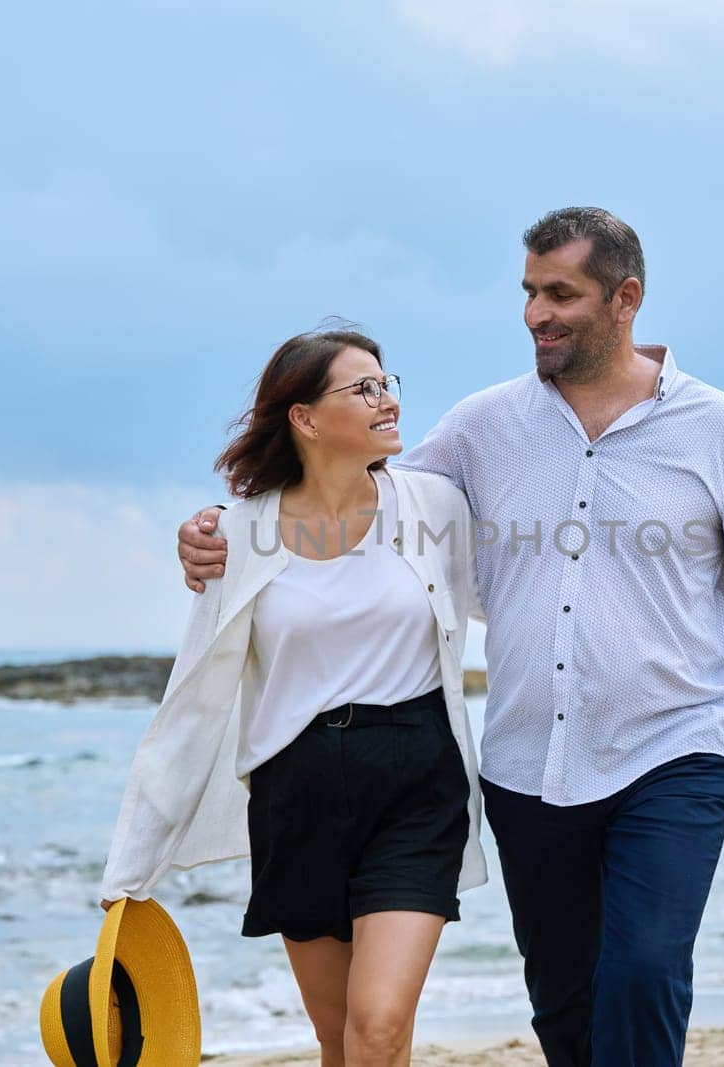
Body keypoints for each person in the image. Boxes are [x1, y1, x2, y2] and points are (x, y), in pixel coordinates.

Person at [176, 208, 724, 1067]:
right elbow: (354, 505)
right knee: (564, 999)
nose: (537, 313)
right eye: (530, 292)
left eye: (561, 293)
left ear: (625, 298)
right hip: (527, 764)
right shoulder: (484, 426)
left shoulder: (718, 431)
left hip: (676, 749)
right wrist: (226, 535)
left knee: (642, 970)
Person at [98, 327, 487, 1067]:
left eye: (387, 381)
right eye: (362, 387)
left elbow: (507, 602)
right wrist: (131, 866)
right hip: (294, 790)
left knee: (378, 1026)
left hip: (417, 781)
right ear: (304, 417)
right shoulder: (237, 534)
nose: (387, 398)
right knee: (337, 1038)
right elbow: (195, 697)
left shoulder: (435, 505)